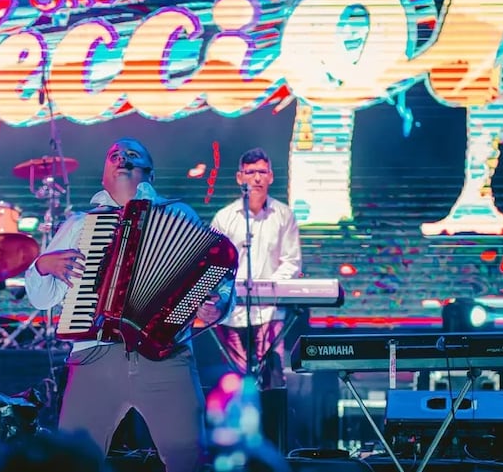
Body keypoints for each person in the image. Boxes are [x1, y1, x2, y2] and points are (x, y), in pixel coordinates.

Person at [24, 137, 233, 472]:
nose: (121, 157)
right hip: (94, 355)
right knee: (70, 463)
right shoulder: (79, 224)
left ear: (148, 171)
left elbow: (216, 277)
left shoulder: (178, 214)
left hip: (167, 355)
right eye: (114, 155)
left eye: (132, 154)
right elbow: (41, 297)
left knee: (189, 462)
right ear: (104, 174)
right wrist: (42, 266)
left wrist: (217, 304)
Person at [211, 147, 301, 388]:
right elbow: (213, 264)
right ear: (240, 177)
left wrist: (267, 290)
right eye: (251, 172)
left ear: (271, 176)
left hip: (270, 313)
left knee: (272, 378)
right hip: (231, 313)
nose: (257, 178)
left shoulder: (284, 215)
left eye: (262, 172)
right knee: (235, 382)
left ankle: (272, 425)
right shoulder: (224, 217)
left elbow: (291, 262)